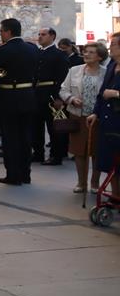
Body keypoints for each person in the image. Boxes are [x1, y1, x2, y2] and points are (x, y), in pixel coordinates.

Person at [0, 19, 38, 185]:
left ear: (8, 32)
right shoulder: (32, 49)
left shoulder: (0, 51)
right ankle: (25, 173)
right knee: (25, 136)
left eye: (1, 31)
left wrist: (2, 77)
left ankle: (13, 174)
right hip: (28, 94)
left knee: (10, 137)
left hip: (8, 96)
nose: (0, 34)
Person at [59, 41, 107, 193]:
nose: (86, 54)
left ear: (100, 56)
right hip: (78, 116)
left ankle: (95, 183)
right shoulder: (75, 70)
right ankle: (81, 183)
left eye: (91, 52)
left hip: (98, 118)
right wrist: (72, 99)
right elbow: (63, 90)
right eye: (85, 51)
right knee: (79, 151)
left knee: (97, 152)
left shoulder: (106, 72)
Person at [88, 33, 120, 199]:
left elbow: (109, 92)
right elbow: (102, 93)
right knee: (109, 162)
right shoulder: (112, 66)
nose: (110, 47)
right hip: (107, 122)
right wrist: (96, 112)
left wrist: (116, 94)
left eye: (113, 44)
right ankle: (115, 196)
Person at [32, 27, 71, 166]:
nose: (40, 37)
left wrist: (59, 97)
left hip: (51, 94)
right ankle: (38, 153)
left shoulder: (59, 55)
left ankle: (56, 155)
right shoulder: (37, 53)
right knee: (36, 126)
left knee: (53, 127)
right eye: (39, 34)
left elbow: (63, 77)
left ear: (52, 36)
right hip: (37, 93)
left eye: (43, 34)